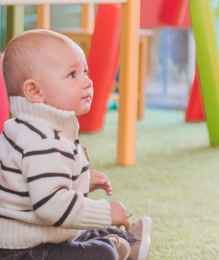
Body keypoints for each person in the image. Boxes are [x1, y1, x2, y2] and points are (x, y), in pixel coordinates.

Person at [0, 30, 152, 260]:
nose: (87, 82)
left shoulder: (27, 128)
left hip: (35, 236)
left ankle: (124, 242)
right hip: (23, 249)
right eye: (72, 75)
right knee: (102, 254)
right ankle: (115, 246)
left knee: (83, 232)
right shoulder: (44, 141)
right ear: (34, 91)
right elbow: (51, 206)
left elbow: (32, 183)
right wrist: (106, 212)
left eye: (85, 71)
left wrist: (81, 181)